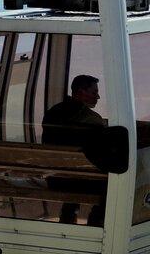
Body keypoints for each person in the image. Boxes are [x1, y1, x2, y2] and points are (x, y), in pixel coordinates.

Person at [42, 75, 108, 226]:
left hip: (55, 179)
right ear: (80, 92)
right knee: (113, 184)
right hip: (80, 181)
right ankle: (95, 223)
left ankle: (68, 216)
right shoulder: (91, 119)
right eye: (93, 92)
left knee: (74, 171)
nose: (97, 96)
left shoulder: (52, 112)